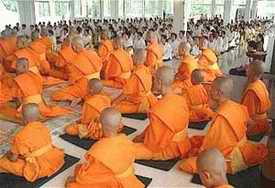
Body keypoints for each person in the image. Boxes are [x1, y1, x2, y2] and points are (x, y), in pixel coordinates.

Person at [179, 77, 268, 174]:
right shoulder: (237, 107)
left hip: (231, 159)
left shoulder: (221, 119)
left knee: (187, 164)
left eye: (211, 89)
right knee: (196, 140)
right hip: (241, 147)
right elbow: (251, 124)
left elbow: (212, 150)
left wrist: (198, 152)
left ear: (218, 93)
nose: (208, 92)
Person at [65, 107, 144, 188]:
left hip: (114, 182)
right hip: (128, 178)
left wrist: (77, 178)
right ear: (120, 125)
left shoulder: (98, 149)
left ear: (100, 125)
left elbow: (90, 176)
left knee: (80, 175)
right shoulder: (126, 140)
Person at [134, 66, 191, 160]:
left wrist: (140, 140)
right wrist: (141, 136)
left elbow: (153, 145)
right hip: (182, 143)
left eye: (154, 79)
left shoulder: (158, 109)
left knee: (126, 150)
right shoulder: (181, 99)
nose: (153, 82)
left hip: (166, 149)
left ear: (159, 82)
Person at [0, 103, 65, 182]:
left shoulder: (21, 135)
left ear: (23, 118)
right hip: (55, 160)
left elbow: (13, 159)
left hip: (39, 168)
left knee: (3, 162)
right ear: (38, 116)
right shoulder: (43, 127)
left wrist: (8, 155)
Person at [0, 58, 71, 121]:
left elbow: (17, 98)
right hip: (41, 104)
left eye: (17, 66)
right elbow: (40, 91)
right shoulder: (34, 75)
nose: (15, 69)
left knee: (6, 111)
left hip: (29, 106)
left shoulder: (18, 80)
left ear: (25, 67)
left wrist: (19, 109)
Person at [52, 36, 102, 103]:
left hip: (85, 86)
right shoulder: (94, 53)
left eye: (72, 47)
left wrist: (67, 86)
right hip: (97, 83)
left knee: (56, 95)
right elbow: (101, 65)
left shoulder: (75, 61)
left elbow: (73, 79)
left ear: (74, 47)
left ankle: (79, 98)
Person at [113, 49, 157, 113]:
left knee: (116, 107)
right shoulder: (146, 70)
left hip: (141, 104)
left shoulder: (136, 74)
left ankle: (140, 109)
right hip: (149, 99)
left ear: (135, 58)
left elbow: (125, 94)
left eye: (132, 56)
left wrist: (114, 102)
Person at [241, 60, 272, 135]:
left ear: (252, 71)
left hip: (254, 127)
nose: (246, 69)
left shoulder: (252, 91)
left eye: (248, 68)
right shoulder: (261, 84)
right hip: (264, 123)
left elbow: (247, 113)